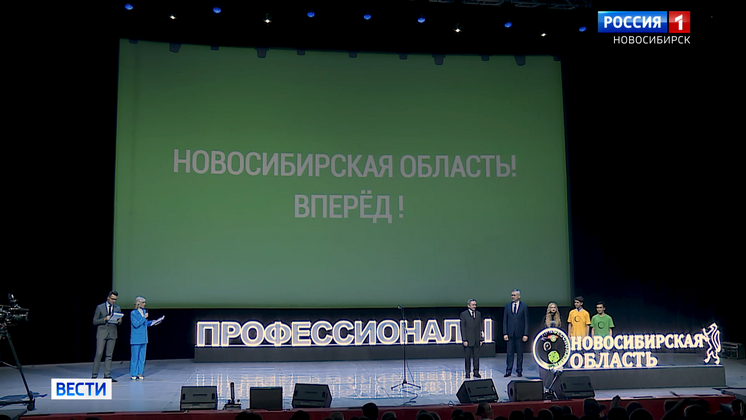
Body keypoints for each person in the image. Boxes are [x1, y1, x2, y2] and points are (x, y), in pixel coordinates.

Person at [130, 296, 163, 380]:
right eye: (143, 302)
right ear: (138, 303)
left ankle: (140, 373)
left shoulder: (144, 311)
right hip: (136, 337)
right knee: (135, 357)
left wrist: (153, 322)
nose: (144, 304)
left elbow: (145, 324)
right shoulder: (133, 313)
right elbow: (136, 324)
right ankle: (133, 373)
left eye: (144, 302)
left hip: (144, 337)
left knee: (142, 357)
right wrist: (143, 317)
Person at [92, 291, 122, 381]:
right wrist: (104, 319)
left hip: (112, 333)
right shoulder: (100, 307)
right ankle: (94, 375)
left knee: (109, 355)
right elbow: (95, 321)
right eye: (112, 299)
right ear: (108, 297)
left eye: (115, 299)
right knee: (99, 353)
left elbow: (120, 322)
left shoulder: (117, 308)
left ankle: (107, 375)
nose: (113, 301)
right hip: (102, 333)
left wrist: (119, 320)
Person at [503, 289, 529, 377]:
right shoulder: (507, 306)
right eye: (512, 295)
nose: (512, 297)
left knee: (520, 353)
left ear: (519, 296)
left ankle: (519, 370)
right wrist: (505, 333)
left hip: (520, 333)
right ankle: (508, 370)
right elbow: (505, 321)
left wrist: (525, 334)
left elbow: (526, 321)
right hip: (510, 333)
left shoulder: (524, 306)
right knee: (509, 353)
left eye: (514, 295)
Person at [460, 299, 484, 378]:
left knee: (476, 357)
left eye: (475, 305)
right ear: (468, 306)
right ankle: (467, 372)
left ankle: (476, 372)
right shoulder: (464, 314)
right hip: (468, 340)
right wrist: (464, 339)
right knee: (467, 357)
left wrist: (481, 338)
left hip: (477, 339)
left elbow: (480, 326)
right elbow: (462, 328)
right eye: (473, 305)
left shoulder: (478, 314)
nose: (474, 306)